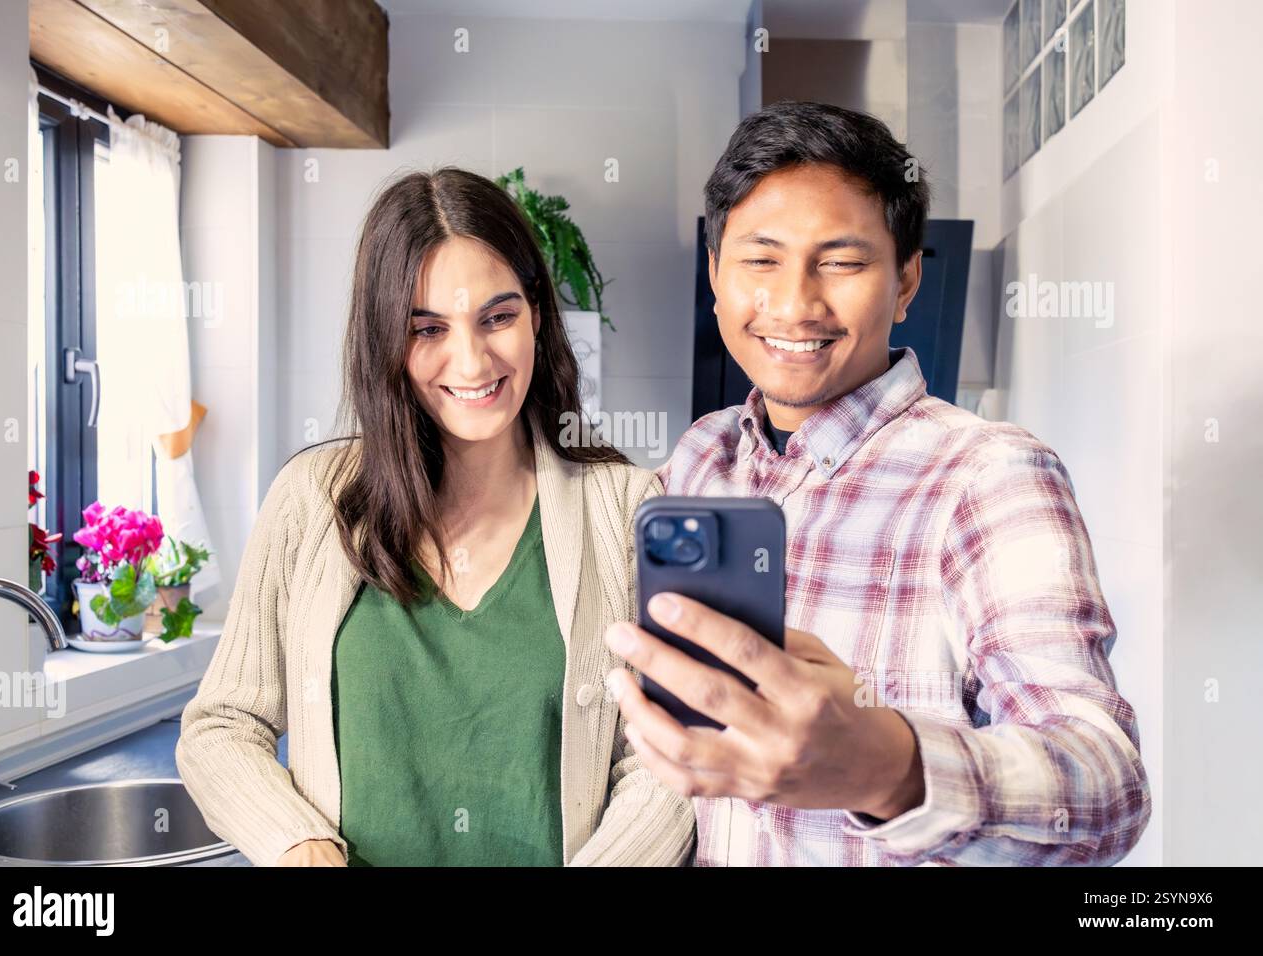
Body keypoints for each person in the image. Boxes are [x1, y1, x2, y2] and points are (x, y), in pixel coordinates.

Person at [603, 100, 1153, 865]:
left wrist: (887, 766)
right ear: (716, 274)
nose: (795, 303)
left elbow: (1106, 788)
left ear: (905, 281)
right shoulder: (702, 455)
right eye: (760, 260)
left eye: (843, 261)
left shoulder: (988, 474)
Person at [176, 167, 694, 866]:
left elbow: (668, 762)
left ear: (537, 314)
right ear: (385, 340)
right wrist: (297, 843)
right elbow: (222, 725)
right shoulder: (312, 499)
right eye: (428, 329)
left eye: (498, 317)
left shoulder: (626, 509)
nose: (472, 359)